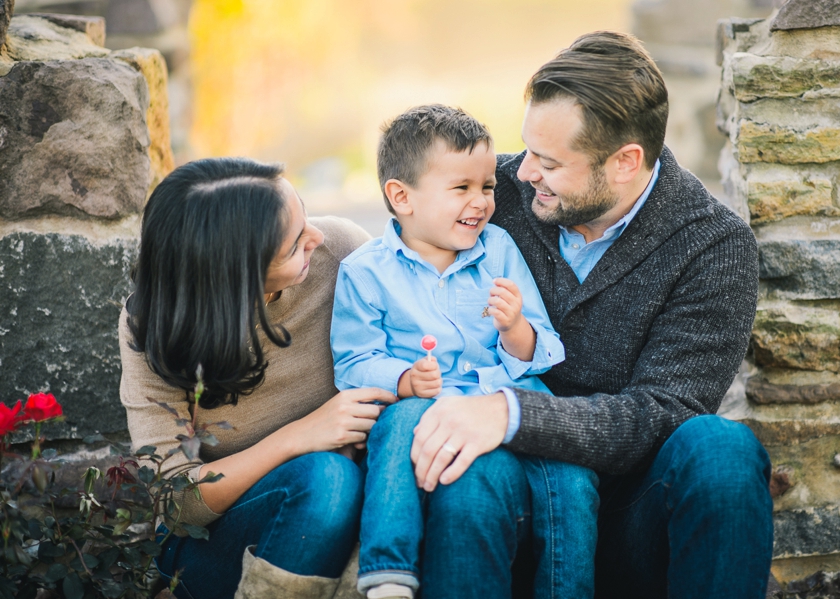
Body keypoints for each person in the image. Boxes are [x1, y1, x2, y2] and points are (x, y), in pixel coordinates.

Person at [408, 31, 775, 597]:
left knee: (722, 451)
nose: (523, 171)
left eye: (549, 161)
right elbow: (400, 235)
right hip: (510, 493)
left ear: (626, 162)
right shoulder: (493, 194)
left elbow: (662, 415)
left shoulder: (713, 245)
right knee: (470, 479)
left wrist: (510, 413)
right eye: (527, 147)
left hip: (632, 514)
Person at [331, 104, 599, 599]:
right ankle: (388, 573)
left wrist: (515, 327)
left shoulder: (496, 248)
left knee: (573, 475)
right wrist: (405, 380)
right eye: (462, 188)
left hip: (506, 401)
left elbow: (541, 346)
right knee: (395, 427)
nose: (480, 202)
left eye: (488, 187)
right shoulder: (365, 271)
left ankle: (567, 589)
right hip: (422, 404)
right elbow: (352, 361)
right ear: (401, 196)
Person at [118, 157, 396, 599]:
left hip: (356, 509)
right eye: (292, 247)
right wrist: (298, 437)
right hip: (215, 542)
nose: (316, 238)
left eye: (304, 215)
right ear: (234, 276)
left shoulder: (342, 251)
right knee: (326, 481)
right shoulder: (154, 327)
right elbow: (175, 503)